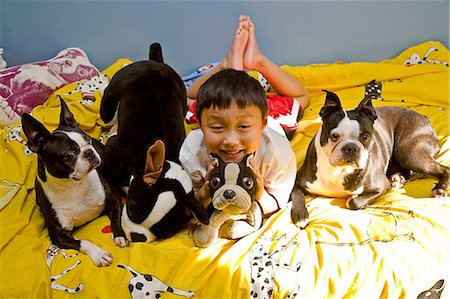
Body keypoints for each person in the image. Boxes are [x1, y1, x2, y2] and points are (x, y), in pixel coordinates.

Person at [179, 68, 298, 219]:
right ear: (200, 126)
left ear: (262, 124)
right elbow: (188, 209)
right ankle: (227, 64)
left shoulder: (278, 156)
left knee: (298, 103)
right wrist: (205, 192)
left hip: (277, 127)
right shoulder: (191, 153)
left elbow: (276, 205)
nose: (231, 141)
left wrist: (260, 194)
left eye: (243, 127)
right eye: (217, 127)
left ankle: (254, 62)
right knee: (186, 100)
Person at [185, 15, 309, 136]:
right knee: (302, 97)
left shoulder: (213, 110)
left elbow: (188, 96)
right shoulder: (270, 119)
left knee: (188, 98)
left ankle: (228, 67)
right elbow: (301, 95)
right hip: (261, 117)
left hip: (220, 107)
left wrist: (222, 67)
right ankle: (258, 61)